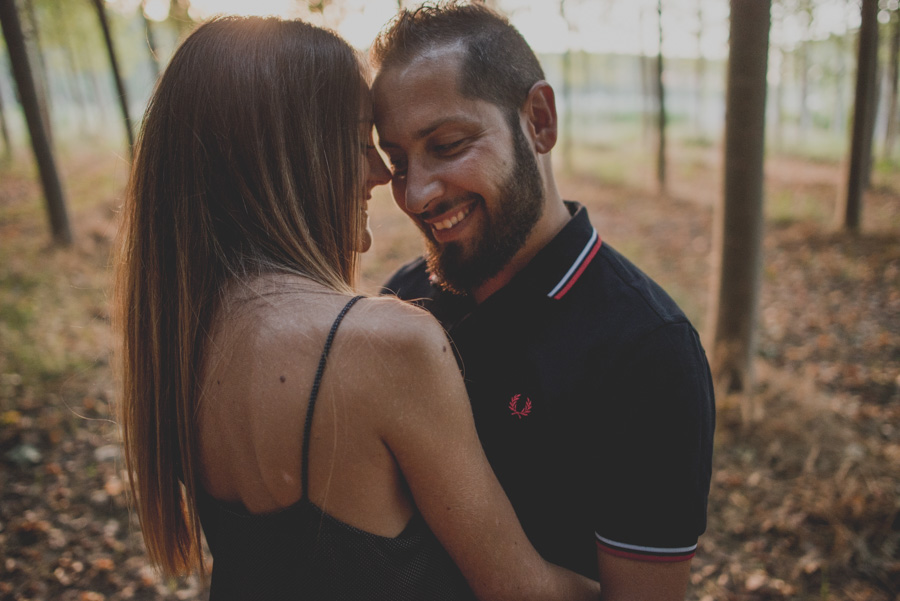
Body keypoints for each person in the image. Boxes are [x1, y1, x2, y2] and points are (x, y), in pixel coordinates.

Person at [114, 15, 601, 601]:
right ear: (289, 154)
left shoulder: (176, 333)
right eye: (358, 141)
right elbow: (523, 592)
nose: (378, 173)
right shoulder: (384, 347)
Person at [373, 3, 716, 600]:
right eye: (398, 161)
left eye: (448, 144)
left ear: (539, 120)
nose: (418, 192)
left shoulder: (645, 350)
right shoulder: (402, 301)